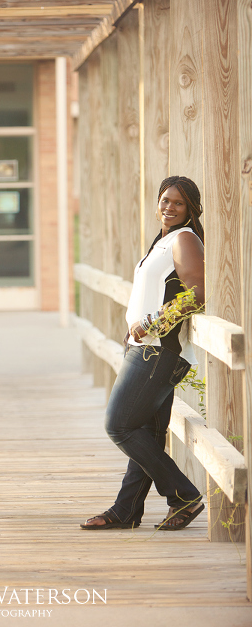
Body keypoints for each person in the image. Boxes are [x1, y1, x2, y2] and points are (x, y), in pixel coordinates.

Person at [80, 176, 205, 531]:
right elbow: (158, 290)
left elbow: (198, 292)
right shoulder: (163, 241)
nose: (169, 207)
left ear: (191, 209)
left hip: (158, 352)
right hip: (145, 347)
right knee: (145, 434)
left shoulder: (183, 239)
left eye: (178, 203)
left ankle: (183, 494)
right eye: (165, 200)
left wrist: (150, 322)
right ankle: (126, 510)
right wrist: (136, 324)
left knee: (118, 425)